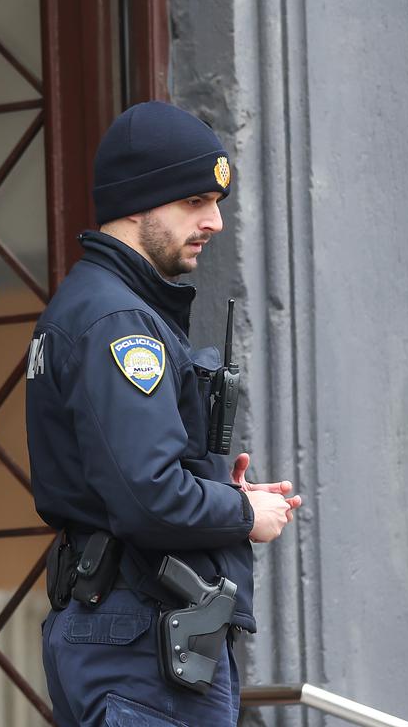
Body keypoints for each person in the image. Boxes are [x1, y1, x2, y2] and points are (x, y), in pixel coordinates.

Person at [25, 100, 303, 727]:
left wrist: (220, 494)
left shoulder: (101, 307)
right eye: (194, 201)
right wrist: (243, 514)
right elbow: (147, 497)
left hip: (129, 636)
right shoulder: (120, 321)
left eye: (216, 203)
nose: (214, 222)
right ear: (137, 200)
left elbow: (125, 484)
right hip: (140, 646)